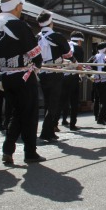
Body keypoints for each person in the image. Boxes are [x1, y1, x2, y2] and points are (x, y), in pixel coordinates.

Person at [0, 0, 46, 165]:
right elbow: (35, 54)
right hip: (24, 76)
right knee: (28, 115)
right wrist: (37, 64)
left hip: (6, 76)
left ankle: (8, 149)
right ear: (16, 7)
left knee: (15, 113)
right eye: (21, 6)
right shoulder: (20, 26)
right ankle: (29, 152)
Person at [36, 11, 71, 142]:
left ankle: (49, 131)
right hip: (55, 72)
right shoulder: (56, 36)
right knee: (53, 104)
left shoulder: (37, 37)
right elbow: (67, 53)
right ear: (51, 23)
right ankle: (46, 132)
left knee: (47, 103)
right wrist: (74, 62)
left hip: (42, 72)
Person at [59, 31, 85, 131]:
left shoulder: (65, 45)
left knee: (62, 100)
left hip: (62, 75)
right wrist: (82, 73)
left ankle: (55, 123)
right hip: (73, 76)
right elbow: (79, 65)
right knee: (74, 101)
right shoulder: (78, 48)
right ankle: (72, 124)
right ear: (79, 41)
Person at [88, 42, 106, 127]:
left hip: (97, 81)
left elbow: (87, 67)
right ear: (105, 49)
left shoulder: (94, 57)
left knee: (100, 100)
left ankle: (103, 118)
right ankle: (100, 118)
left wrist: (90, 76)